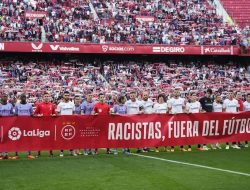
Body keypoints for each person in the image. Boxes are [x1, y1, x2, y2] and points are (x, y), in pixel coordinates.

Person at [34, 92, 56, 157]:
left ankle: (51, 153)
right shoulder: (39, 105)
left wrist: (54, 115)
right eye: (45, 96)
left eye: (47, 96)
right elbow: (35, 114)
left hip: (50, 124)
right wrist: (38, 115)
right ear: (43, 97)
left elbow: (55, 113)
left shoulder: (52, 105)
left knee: (50, 139)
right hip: (41, 125)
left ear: (49, 97)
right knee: (40, 139)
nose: (46, 97)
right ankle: (38, 153)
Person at [13, 94, 35, 159]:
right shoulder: (17, 105)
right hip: (19, 125)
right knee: (17, 139)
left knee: (28, 139)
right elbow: (16, 115)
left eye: (24, 97)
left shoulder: (29, 105)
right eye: (22, 97)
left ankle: (29, 153)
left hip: (27, 124)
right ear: (20, 98)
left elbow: (31, 114)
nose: (23, 98)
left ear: (26, 98)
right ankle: (16, 154)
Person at [57, 91, 76, 157]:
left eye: (68, 95)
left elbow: (73, 113)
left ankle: (71, 151)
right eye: (65, 95)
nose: (67, 96)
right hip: (62, 123)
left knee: (71, 137)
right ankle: (61, 151)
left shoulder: (72, 104)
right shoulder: (60, 104)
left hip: (70, 123)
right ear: (63, 96)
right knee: (62, 137)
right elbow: (58, 114)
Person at [81, 91, 96, 155]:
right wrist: (85, 118)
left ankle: (91, 150)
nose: (90, 96)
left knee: (92, 136)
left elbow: (95, 111)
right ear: (86, 96)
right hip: (86, 122)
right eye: (89, 95)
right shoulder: (83, 103)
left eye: (91, 95)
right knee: (86, 136)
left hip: (93, 122)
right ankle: (85, 150)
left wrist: (94, 113)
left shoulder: (94, 103)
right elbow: (82, 112)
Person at [0, 93, 14, 160]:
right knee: (0, 138)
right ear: (1, 97)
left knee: (7, 139)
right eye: (4, 96)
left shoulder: (10, 105)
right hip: (0, 124)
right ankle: (0, 154)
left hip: (8, 124)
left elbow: (12, 113)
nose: (5, 98)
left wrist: (11, 115)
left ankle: (6, 154)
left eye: (6, 96)